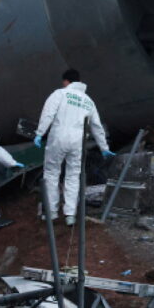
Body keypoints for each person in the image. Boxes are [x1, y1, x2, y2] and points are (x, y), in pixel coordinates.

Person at [35, 69, 112, 226]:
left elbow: (48, 114)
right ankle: (70, 214)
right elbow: (97, 126)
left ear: (66, 81)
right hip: (78, 141)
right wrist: (104, 147)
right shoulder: (88, 100)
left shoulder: (60, 94)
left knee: (51, 173)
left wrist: (39, 133)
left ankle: (52, 212)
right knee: (73, 175)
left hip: (58, 137)